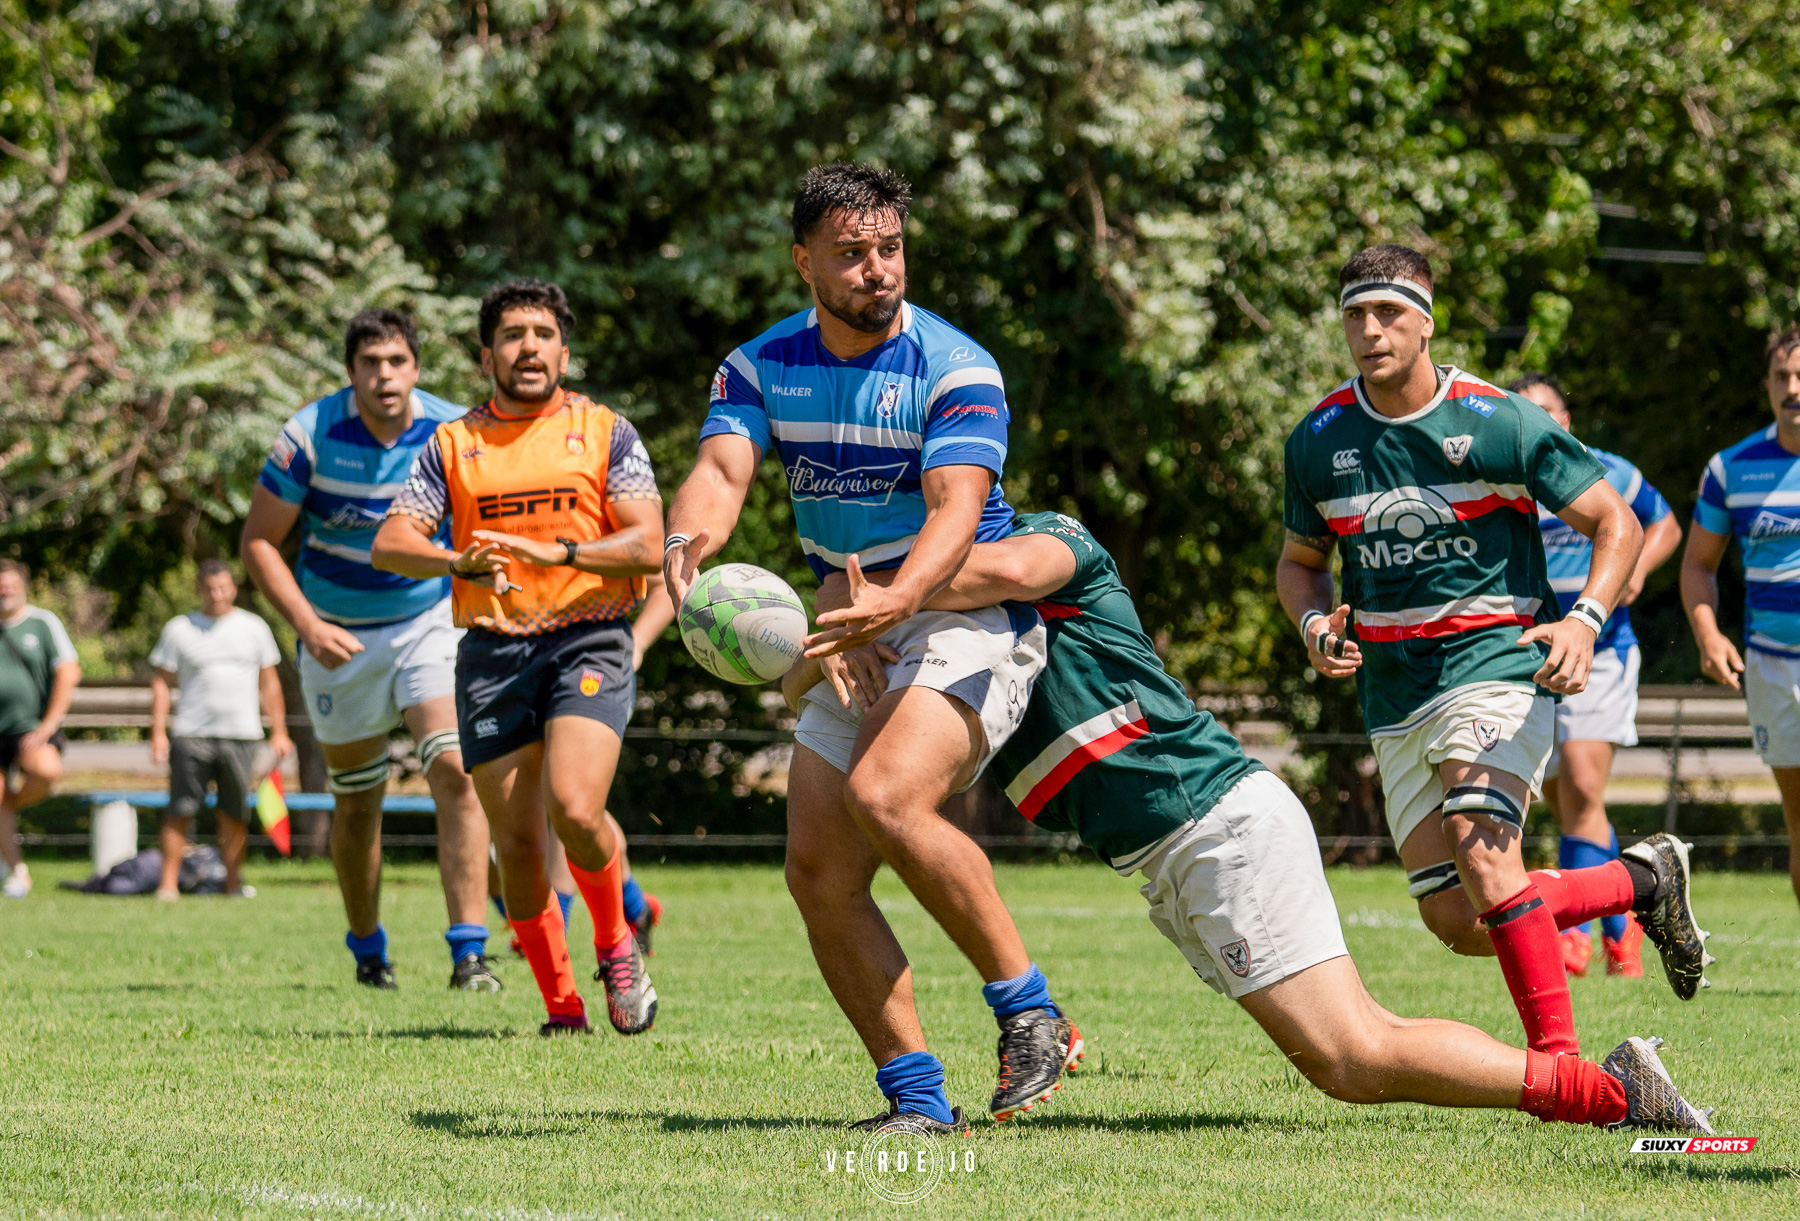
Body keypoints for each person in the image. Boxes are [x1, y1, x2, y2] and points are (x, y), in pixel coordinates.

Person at [789, 513, 1717, 1135]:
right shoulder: (934, 636)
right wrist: (819, 634)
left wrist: (876, 595)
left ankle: (1612, 1090)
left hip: (1217, 826)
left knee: (1354, 1054)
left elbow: (1010, 568)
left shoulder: (1040, 543)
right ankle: (1636, 897)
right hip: (1177, 857)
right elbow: (808, 678)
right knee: (1370, 1030)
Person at [662, 163, 1076, 1134]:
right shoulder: (758, 365)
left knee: (885, 796)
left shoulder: (956, 366)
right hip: (855, 617)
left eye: (889, 248)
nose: (876, 269)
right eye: (851, 253)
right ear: (803, 261)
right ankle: (917, 1098)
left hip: (962, 613)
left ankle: (1032, 1014)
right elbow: (721, 469)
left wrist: (889, 603)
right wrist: (686, 545)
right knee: (818, 871)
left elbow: (955, 512)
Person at [1276, 244, 1711, 1060]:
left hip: (1495, 662)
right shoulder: (1317, 441)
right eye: (1355, 315)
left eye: (1389, 312)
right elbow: (1300, 564)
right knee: (1457, 917)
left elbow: (1616, 521)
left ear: (1426, 322)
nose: (1371, 331)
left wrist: (1584, 620)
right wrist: (1311, 625)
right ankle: (1641, 881)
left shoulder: (1497, 420)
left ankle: (1564, 1072)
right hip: (1394, 688)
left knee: (1484, 849)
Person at [373, 278, 663, 1036]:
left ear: (563, 353)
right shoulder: (452, 444)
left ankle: (616, 943)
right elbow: (391, 541)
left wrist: (557, 551)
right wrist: (455, 562)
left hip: (588, 635)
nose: (527, 347)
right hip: (492, 651)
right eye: (511, 335)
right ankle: (563, 1008)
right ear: (486, 357)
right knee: (519, 847)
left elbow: (648, 545)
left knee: (575, 805)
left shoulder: (605, 431)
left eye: (542, 334)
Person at [241, 308, 498, 992]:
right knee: (357, 801)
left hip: (426, 620)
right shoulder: (309, 434)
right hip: (337, 633)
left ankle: (469, 954)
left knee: (456, 769)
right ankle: (368, 948)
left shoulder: (451, 430)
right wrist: (308, 626)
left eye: (396, 361)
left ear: (415, 368)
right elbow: (259, 542)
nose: (384, 375)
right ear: (350, 372)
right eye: (370, 363)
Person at [1512, 373, 1682, 978]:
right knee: (1570, 806)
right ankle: (1625, 923)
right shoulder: (1503, 481)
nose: (1537, 423)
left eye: (1546, 412)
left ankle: (1571, 937)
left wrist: (1637, 570)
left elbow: (1665, 525)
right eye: (1523, 414)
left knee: (1583, 788)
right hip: (1529, 657)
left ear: (1566, 420)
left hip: (1600, 649)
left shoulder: (1607, 471)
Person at [1683, 323, 1800, 915]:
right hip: (1773, 666)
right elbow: (1697, 565)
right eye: (1783, 376)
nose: (1794, 388)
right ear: (1768, 384)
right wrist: (1708, 634)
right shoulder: (1731, 467)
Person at [147, 560, 293, 900]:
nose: (217, 595)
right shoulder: (179, 629)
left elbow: (269, 683)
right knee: (180, 810)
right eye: (210, 588)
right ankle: (167, 887)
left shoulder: (254, 627)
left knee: (234, 812)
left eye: (223, 588)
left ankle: (233, 886)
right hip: (191, 733)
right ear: (199, 590)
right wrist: (157, 732)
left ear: (233, 589)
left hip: (242, 734)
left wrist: (279, 731)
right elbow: (161, 683)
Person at [0, 560, 80, 900]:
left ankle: (4, 815)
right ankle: (17, 873)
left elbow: (68, 672)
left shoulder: (42, 622)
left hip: (30, 728)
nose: (5, 590)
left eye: (11, 584)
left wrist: (48, 726)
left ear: (24, 586)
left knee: (46, 770)